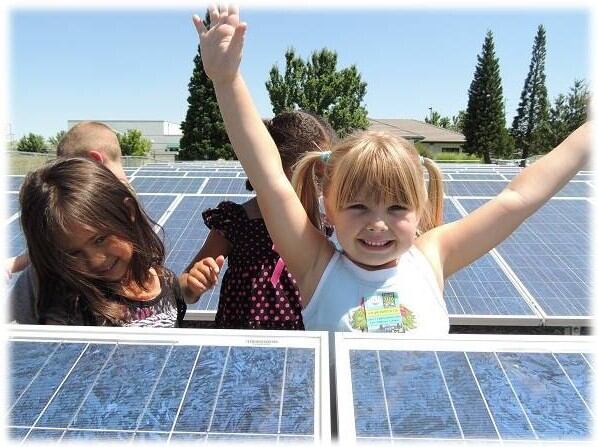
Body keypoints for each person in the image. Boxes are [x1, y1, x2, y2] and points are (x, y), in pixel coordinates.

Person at [194, 6, 591, 333]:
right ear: (329, 209)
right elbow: (270, 178)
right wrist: (227, 81)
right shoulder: (317, 267)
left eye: (397, 208)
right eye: (358, 207)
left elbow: (518, 197)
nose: (378, 224)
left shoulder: (432, 256)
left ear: (419, 211)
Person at [179, 111, 337, 329]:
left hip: (303, 343)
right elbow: (184, 288)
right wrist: (192, 284)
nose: (320, 186)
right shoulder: (235, 220)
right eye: (313, 175)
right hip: (241, 340)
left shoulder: (324, 225)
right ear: (269, 169)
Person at [16, 157, 187, 326]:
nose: (95, 261)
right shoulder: (71, 311)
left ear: (128, 212)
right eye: (74, 253)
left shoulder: (166, 281)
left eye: (100, 239)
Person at [5, 121, 127, 280]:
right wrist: (14, 264)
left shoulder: (113, 203)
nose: (66, 182)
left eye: (72, 171)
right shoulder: (123, 196)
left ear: (94, 161)